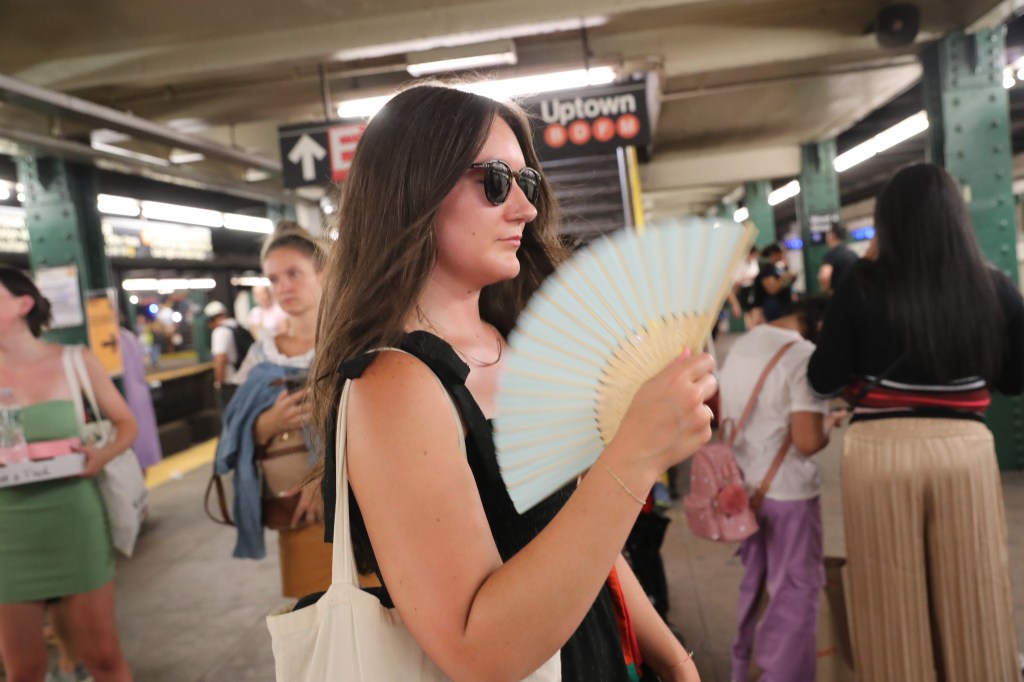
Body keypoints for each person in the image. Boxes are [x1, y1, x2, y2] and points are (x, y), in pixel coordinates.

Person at [308, 84, 716, 681]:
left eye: (527, 184)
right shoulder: (395, 384)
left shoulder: (514, 345)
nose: (524, 209)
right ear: (412, 190)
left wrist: (673, 656)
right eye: (495, 180)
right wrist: (636, 453)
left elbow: (579, 535)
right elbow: (480, 653)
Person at [807, 163, 1024, 681]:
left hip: (880, 453)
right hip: (966, 453)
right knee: (974, 600)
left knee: (891, 608)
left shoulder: (861, 283)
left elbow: (823, 377)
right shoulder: (992, 286)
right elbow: (1016, 379)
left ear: (887, 222)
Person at [0, 266, 137, 682]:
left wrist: (100, 455)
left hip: (74, 521)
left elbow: (126, 424)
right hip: (7, 535)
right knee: (23, 670)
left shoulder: (75, 360)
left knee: (104, 660)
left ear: (23, 305)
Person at [718, 297, 844, 682]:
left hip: (746, 492)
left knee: (755, 587)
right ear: (820, 328)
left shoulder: (745, 342)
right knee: (794, 593)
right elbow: (806, 441)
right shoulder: (804, 355)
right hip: (788, 493)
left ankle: (746, 669)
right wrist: (829, 425)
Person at [214, 222, 331, 599]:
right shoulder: (261, 354)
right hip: (297, 515)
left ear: (324, 273)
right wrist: (267, 423)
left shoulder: (354, 339)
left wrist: (323, 477)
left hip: (362, 511)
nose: (283, 287)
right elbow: (236, 431)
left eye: (294, 273)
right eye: (274, 279)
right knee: (315, 625)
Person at [205, 300, 252, 407]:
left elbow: (220, 359)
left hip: (232, 383)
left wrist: (218, 384)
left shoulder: (220, 332)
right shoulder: (239, 326)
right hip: (248, 379)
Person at [753, 243, 796, 322]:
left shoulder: (779, 268)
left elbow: (785, 284)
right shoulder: (767, 270)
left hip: (783, 305)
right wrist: (783, 278)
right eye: (780, 253)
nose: (782, 255)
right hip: (772, 308)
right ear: (773, 254)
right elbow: (772, 289)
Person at [816, 222, 858, 295]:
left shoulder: (832, 255)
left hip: (839, 298)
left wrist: (826, 293)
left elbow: (824, 277)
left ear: (832, 236)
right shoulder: (853, 254)